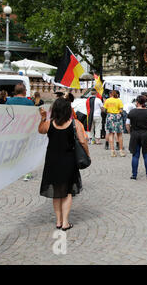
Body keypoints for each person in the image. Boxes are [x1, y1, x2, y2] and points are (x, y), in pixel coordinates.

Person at [38, 98, 89, 231]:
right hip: (68, 160)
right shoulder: (75, 123)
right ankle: (66, 222)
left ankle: (59, 221)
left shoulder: (49, 123)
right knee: (67, 192)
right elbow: (83, 141)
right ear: (68, 110)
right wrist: (87, 155)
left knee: (56, 192)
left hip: (52, 160)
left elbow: (41, 130)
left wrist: (43, 118)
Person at [126, 95, 147, 180]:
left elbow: (127, 124)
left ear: (137, 102)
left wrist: (130, 132)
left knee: (135, 156)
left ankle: (134, 175)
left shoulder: (131, 112)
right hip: (146, 135)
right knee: (146, 155)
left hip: (135, 134)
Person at [104, 90, 125, 157]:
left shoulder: (107, 100)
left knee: (111, 134)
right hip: (118, 116)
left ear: (111, 94)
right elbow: (121, 110)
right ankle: (121, 151)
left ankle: (112, 151)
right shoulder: (119, 100)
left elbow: (105, 110)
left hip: (110, 116)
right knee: (119, 134)